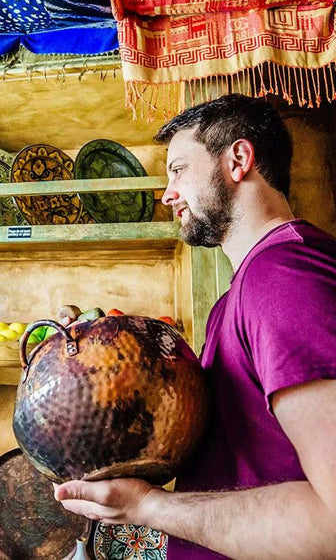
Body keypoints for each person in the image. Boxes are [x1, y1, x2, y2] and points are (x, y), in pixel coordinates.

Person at [54, 94, 336, 558]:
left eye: (179, 169)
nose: (167, 194)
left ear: (238, 160)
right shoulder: (238, 297)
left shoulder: (284, 278)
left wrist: (148, 508)